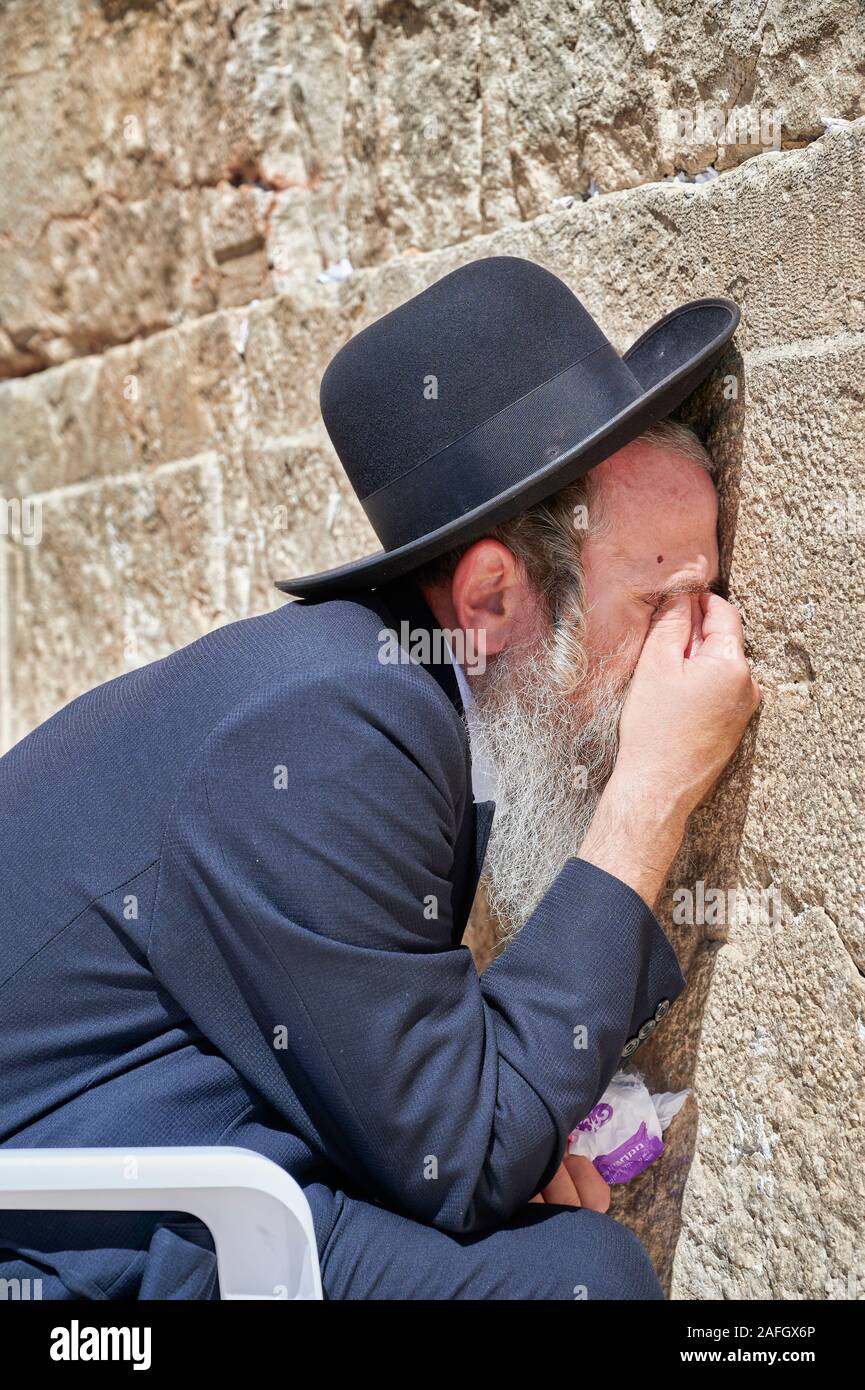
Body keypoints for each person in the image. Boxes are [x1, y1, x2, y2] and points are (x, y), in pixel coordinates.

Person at [0, 257, 760, 1299]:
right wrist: (650, 794)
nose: (699, 647)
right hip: (63, 1241)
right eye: (656, 604)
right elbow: (469, 1156)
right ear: (492, 595)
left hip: (182, 1167)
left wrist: (489, 1122)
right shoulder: (331, 728)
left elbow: (420, 1102)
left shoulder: (374, 696)